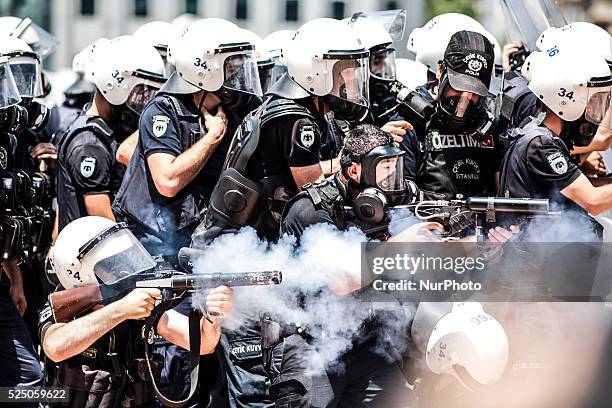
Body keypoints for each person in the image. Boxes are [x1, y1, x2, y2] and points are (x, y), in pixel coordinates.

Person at [193, 18, 370, 244]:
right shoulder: (296, 118)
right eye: (344, 70)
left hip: (254, 236)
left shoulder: (291, 106)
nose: (351, 79)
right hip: (243, 244)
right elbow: (316, 193)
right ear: (316, 71)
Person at [39, 216, 233, 408]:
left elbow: (202, 344)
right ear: (82, 274)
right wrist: (122, 310)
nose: (124, 271)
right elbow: (54, 347)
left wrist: (213, 316)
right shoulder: (65, 306)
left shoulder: (134, 301)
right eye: (112, 266)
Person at [113, 18, 262, 258]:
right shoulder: (163, 110)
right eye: (231, 67)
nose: (237, 74)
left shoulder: (235, 112)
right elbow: (167, 181)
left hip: (197, 242)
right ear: (204, 69)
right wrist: (212, 137)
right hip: (155, 247)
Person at [498, 47, 612, 238]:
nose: (595, 112)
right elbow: (593, 200)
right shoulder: (540, 145)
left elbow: (581, 187)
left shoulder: (546, 138)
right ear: (568, 99)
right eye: (593, 102)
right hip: (536, 264)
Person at [56, 36, 166, 233]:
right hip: (96, 258)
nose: (144, 102)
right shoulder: (89, 142)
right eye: (141, 92)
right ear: (114, 85)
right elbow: (102, 217)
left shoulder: (103, 133)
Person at [403, 30, 503, 203]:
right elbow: (399, 203)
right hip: (426, 225)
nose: (464, 100)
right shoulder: (410, 119)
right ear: (440, 71)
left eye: (474, 93)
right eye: (457, 88)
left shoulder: (494, 119)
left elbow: (503, 192)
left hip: (483, 227)